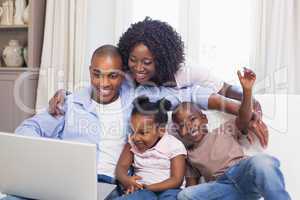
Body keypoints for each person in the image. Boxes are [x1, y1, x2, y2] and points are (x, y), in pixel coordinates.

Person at [49, 17, 268, 147]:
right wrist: (66, 94)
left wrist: (253, 102)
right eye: (133, 60)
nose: (138, 68)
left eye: (147, 62)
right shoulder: (128, 70)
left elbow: (226, 89)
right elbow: (102, 84)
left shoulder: (186, 72)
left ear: (161, 60)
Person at [1, 45, 133, 200]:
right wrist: (46, 154)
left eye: (112, 76)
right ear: (90, 71)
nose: (103, 83)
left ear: (123, 75)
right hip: (66, 180)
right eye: (97, 74)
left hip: (109, 183)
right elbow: (28, 129)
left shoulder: (133, 106)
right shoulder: (69, 103)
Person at [172, 68, 291, 200]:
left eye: (192, 119)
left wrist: (247, 91)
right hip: (221, 187)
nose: (188, 126)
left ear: (204, 119)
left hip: (243, 174)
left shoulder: (225, 129)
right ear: (179, 133)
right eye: (182, 125)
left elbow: (244, 117)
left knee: (262, 162)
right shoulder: (189, 156)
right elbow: (191, 187)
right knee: (184, 195)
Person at [115, 97, 186, 200]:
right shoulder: (132, 143)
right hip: (142, 191)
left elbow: (176, 180)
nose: (135, 137)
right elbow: (121, 167)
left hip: (170, 190)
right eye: (132, 131)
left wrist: (149, 187)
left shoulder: (174, 145)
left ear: (161, 130)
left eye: (142, 133)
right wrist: (126, 180)